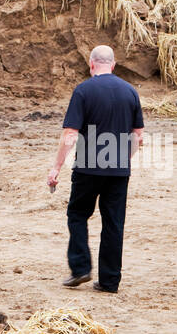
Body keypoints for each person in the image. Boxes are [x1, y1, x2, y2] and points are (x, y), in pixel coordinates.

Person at [48, 45, 144, 293]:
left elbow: (70, 134)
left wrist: (56, 167)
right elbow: (138, 137)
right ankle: (110, 281)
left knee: (78, 214)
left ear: (92, 64)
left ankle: (80, 268)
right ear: (113, 64)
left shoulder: (83, 90)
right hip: (119, 169)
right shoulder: (130, 91)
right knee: (114, 224)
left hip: (87, 167)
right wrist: (125, 158)